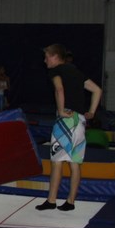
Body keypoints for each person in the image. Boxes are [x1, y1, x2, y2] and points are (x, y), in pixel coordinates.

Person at [36, 44, 103, 212]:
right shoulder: (76, 71)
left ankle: (51, 200)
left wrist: (60, 110)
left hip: (65, 121)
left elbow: (59, 89)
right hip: (80, 120)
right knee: (75, 163)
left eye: (47, 57)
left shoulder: (55, 71)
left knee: (57, 161)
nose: (45, 61)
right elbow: (97, 90)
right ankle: (70, 201)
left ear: (55, 56)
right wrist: (91, 112)